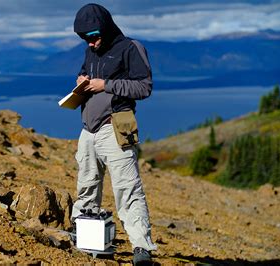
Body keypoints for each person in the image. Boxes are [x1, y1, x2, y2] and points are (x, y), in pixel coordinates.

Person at [71, 3, 157, 264]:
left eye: (94, 37)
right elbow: (88, 74)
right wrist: (82, 81)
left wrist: (105, 85)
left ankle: (141, 249)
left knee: (127, 189)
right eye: (85, 39)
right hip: (88, 130)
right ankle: (83, 236)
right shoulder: (91, 50)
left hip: (115, 127)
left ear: (106, 29)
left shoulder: (130, 48)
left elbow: (144, 87)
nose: (91, 43)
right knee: (86, 186)